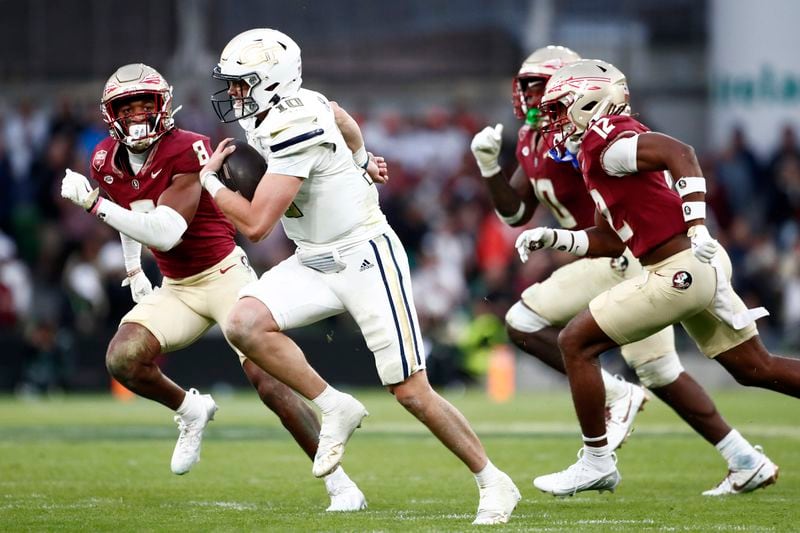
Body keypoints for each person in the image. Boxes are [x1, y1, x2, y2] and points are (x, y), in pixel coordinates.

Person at [198, 28, 520, 525]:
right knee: (243, 323)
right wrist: (363, 160)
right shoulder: (283, 110)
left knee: (411, 390)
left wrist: (210, 185)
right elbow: (342, 115)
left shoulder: (292, 123)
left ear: (271, 81)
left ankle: (492, 480)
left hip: (363, 254)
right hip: (313, 258)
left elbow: (258, 225)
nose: (235, 94)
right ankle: (335, 406)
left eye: (242, 83)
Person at [59, 63, 367, 511]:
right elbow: (132, 211)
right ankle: (191, 410)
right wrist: (133, 271)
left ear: (164, 106)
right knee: (122, 359)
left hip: (225, 274)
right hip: (177, 285)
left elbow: (164, 231)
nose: (138, 114)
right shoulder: (106, 159)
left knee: (270, 383)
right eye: (128, 106)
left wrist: (92, 204)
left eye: (146, 103)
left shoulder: (190, 148)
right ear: (112, 114)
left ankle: (340, 484)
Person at [471, 47, 777, 496]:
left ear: (577, 96)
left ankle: (609, 422)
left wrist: (695, 223)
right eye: (529, 88)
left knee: (556, 334)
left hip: (636, 259)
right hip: (622, 250)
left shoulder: (590, 141)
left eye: (544, 90)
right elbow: (518, 213)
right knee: (704, 370)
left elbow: (665, 156)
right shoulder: (547, 140)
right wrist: (490, 168)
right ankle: (743, 458)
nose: (532, 98)